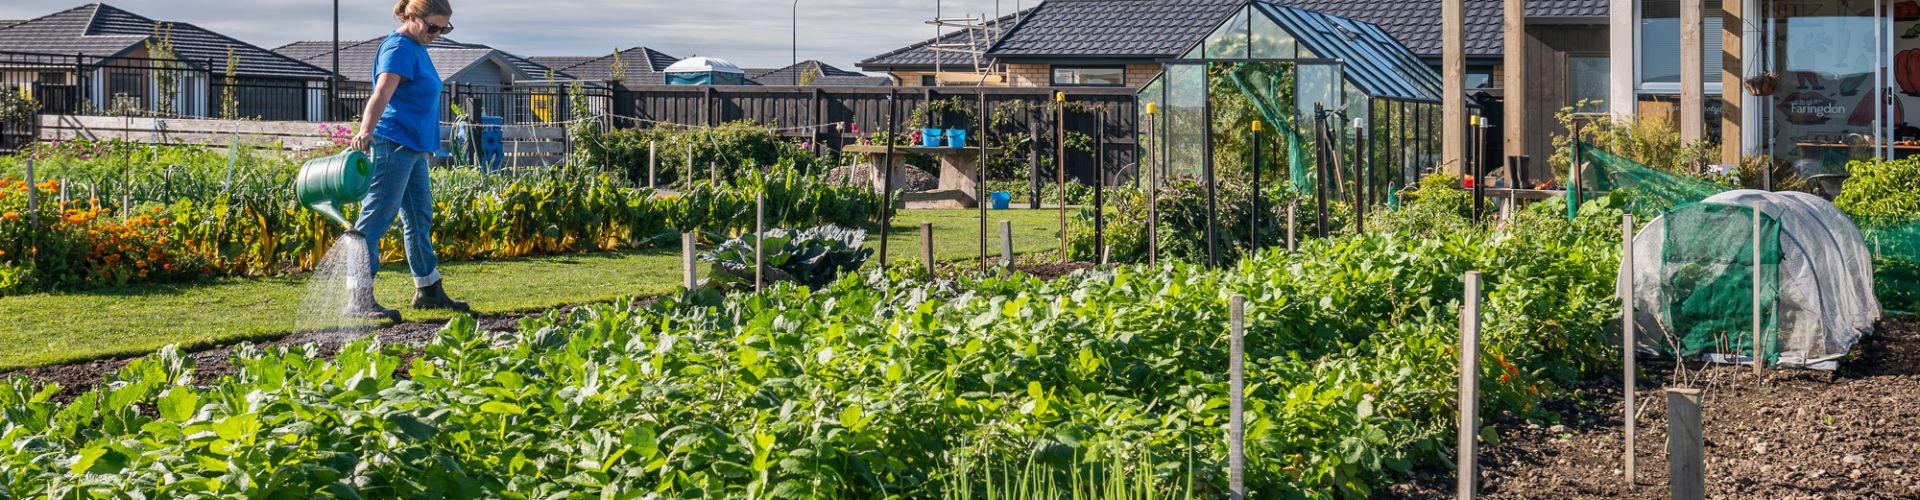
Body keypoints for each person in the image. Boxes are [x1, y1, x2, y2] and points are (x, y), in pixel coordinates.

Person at [345, 0, 467, 320]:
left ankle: (428, 290)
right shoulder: (398, 48)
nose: (438, 34)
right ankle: (357, 299)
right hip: (392, 145)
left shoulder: (417, 47)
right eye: (433, 27)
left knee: (419, 218)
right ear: (412, 17)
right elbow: (381, 94)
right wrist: (365, 131)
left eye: (444, 29)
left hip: (412, 149)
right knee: (374, 220)